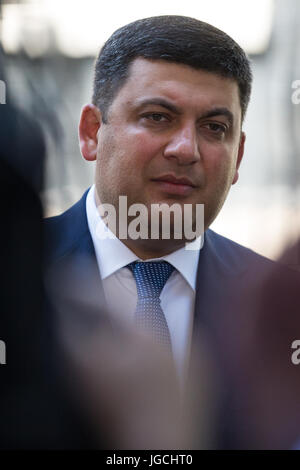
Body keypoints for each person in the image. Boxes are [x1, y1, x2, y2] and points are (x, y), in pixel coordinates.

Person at [44, 15, 300, 449]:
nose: (186, 149)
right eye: (158, 117)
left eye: (214, 128)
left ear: (237, 156)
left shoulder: (279, 308)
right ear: (91, 133)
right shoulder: (17, 275)